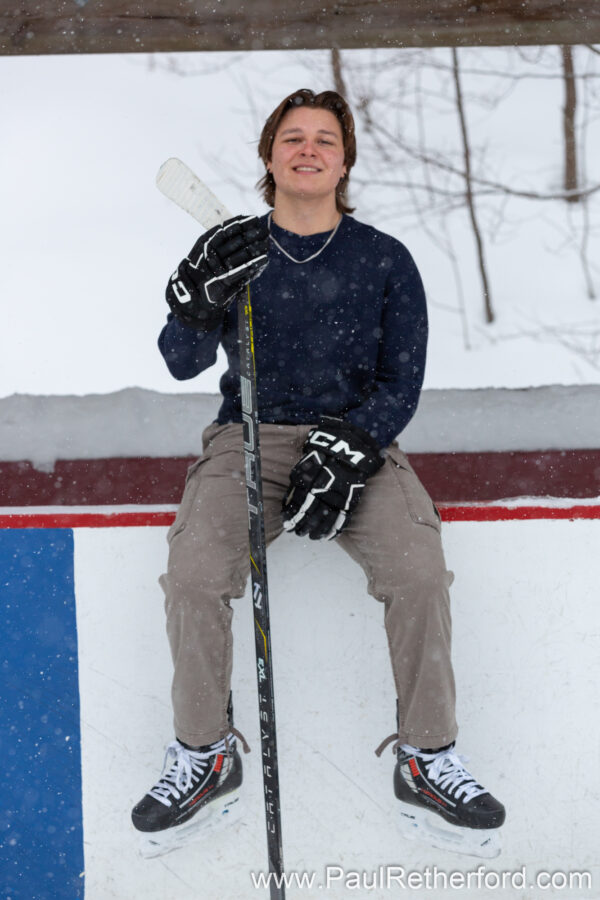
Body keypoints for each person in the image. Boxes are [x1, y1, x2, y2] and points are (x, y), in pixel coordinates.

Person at [131, 89, 505, 859]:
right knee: (196, 573)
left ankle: (427, 759)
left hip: (359, 442)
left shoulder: (384, 259)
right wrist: (196, 301)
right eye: (292, 138)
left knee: (420, 571)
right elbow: (178, 361)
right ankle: (205, 755)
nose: (308, 149)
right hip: (249, 436)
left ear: (345, 159)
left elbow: (403, 381)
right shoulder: (233, 252)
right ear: (269, 158)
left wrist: (352, 445)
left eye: (324, 139)